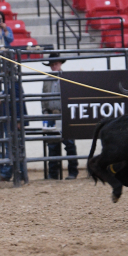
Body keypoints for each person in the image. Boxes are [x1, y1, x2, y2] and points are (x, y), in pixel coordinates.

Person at [41, 52, 78, 180]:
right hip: (52, 115)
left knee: (69, 144)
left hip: (64, 114)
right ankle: (54, 173)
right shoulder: (47, 80)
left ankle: (72, 171)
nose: (54, 66)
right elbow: (43, 97)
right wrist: (45, 111)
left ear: (60, 64)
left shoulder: (66, 78)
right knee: (53, 145)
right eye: (52, 64)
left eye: (56, 64)